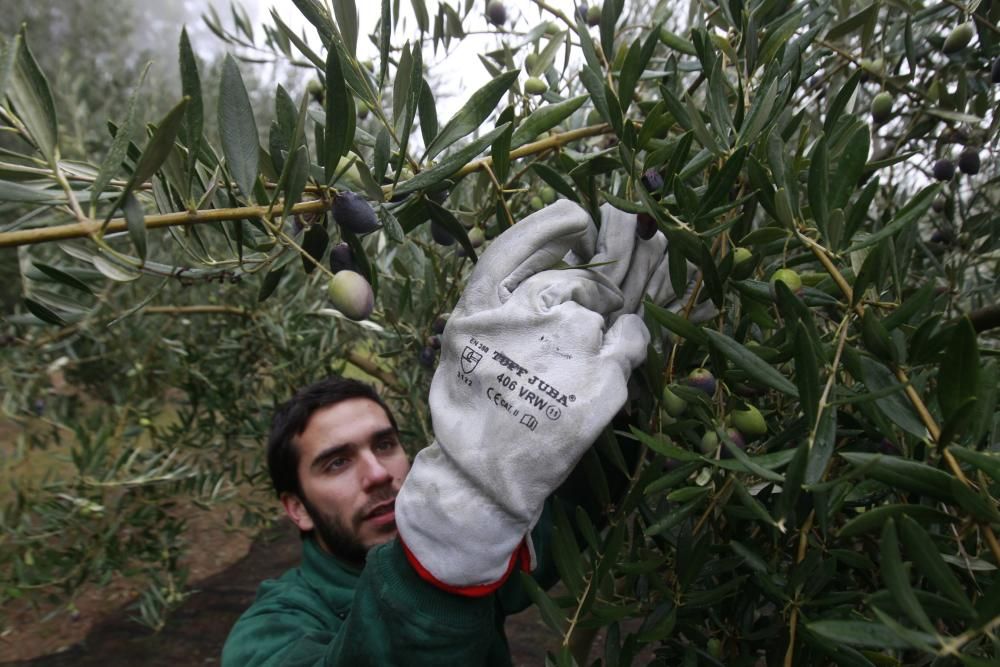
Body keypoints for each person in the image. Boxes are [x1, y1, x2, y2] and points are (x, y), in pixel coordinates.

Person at [222, 201, 708, 666]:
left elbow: (567, 512)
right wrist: (445, 548)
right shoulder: (267, 634)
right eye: (336, 462)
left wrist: (625, 393)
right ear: (296, 508)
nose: (376, 474)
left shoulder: (492, 548)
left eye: (385, 444)